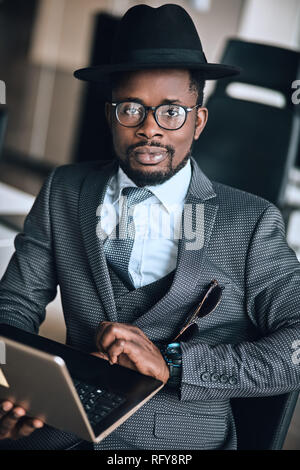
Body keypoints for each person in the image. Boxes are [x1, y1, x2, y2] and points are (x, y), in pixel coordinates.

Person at [0, 3, 300, 450]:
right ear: (109, 115)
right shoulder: (64, 190)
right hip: (59, 426)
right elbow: (15, 306)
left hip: (176, 442)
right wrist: (14, 388)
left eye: (172, 112)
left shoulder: (251, 223)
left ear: (197, 122)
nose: (150, 130)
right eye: (131, 109)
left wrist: (173, 365)